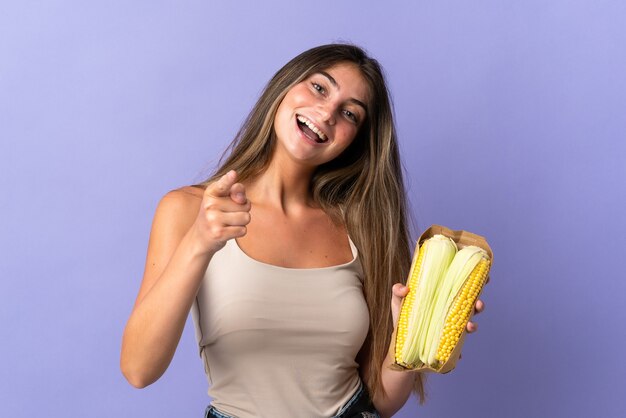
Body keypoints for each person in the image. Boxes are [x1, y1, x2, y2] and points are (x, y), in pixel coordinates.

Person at [120, 43, 485, 418]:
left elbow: (380, 402)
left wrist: (413, 337)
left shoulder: (358, 226)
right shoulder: (191, 211)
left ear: (355, 140)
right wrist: (198, 243)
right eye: (319, 88)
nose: (326, 114)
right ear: (285, 86)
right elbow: (139, 369)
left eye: (349, 113)